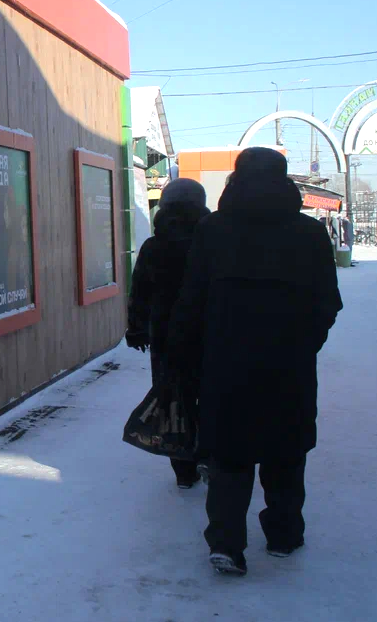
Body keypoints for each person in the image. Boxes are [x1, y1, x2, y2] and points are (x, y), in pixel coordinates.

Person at [169, 148, 343, 577]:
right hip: (289, 365)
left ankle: (226, 543)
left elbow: (191, 301)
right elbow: (327, 302)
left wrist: (186, 354)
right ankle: (283, 536)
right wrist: (305, 343)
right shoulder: (309, 233)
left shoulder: (213, 230)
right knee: (287, 452)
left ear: (236, 179)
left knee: (229, 456)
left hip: (226, 365)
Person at [126, 177, 211, 489]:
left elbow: (140, 292)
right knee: (210, 397)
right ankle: (209, 455)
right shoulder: (212, 242)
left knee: (174, 398)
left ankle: (183, 469)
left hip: (166, 336)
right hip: (209, 334)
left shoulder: (155, 246)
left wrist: (137, 330)